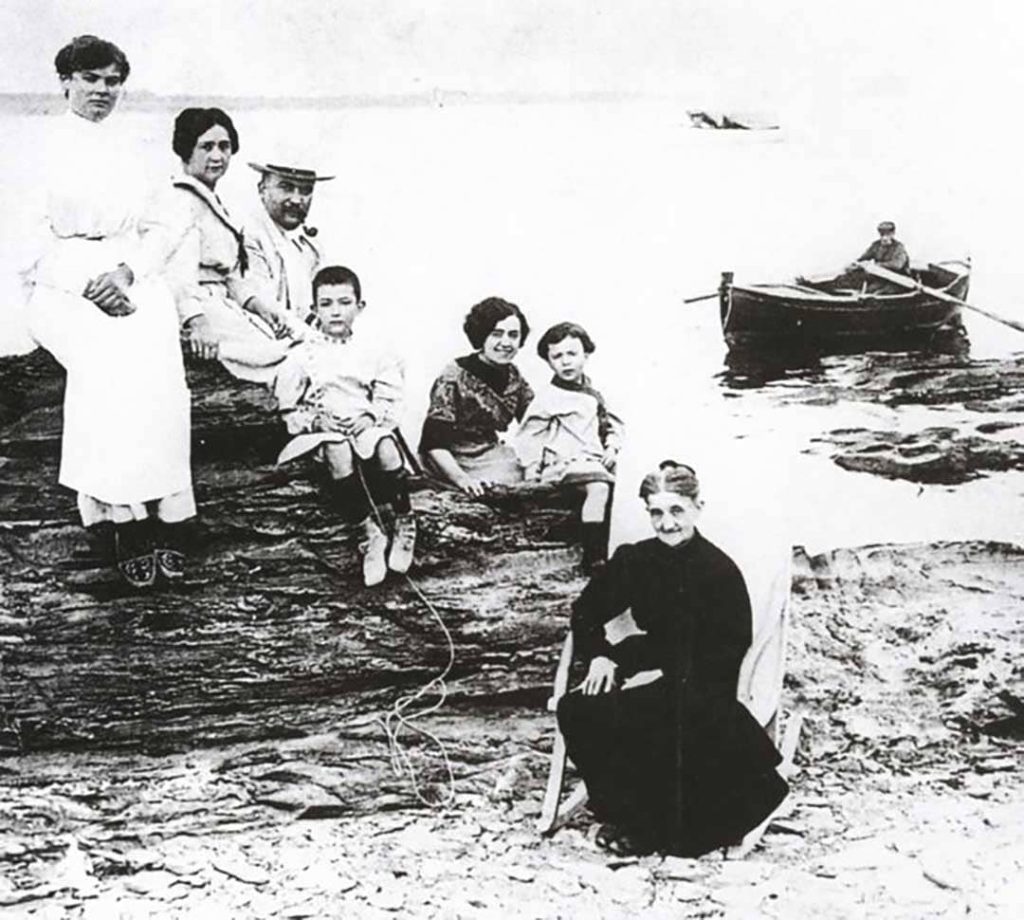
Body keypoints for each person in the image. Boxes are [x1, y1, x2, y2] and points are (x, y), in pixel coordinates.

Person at [18, 35, 195, 589]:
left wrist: (127, 273)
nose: (102, 91)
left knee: (157, 337)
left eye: (112, 81)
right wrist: (85, 282)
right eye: (90, 79)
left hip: (125, 268)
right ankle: (115, 512)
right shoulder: (35, 146)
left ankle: (167, 502)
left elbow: (169, 222)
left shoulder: (136, 144)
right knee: (105, 351)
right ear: (65, 80)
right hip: (59, 280)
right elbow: (22, 239)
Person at [557, 462, 789, 857]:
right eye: (656, 513)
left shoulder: (719, 571)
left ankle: (660, 830)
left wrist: (664, 677)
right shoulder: (635, 560)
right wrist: (599, 656)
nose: (666, 523)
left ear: (698, 507)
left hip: (703, 679)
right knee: (580, 708)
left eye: (676, 511)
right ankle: (626, 813)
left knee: (663, 712)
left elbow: (730, 648)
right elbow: (587, 611)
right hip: (645, 661)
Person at [274, 266, 414, 587]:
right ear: (314, 309)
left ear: (359, 307)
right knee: (337, 450)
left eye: (344, 302)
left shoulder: (375, 351)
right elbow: (288, 408)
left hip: (364, 423)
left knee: (386, 446)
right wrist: (314, 420)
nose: (335, 311)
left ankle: (406, 523)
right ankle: (368, 534)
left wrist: (371, 417)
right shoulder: (303, 355)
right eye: (326, 304)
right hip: (325, 429)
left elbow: (389, 396)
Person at [142, 108, 297, 383]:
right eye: (206, 147)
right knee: (279, 357)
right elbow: (176, 275)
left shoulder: (212, 202)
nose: (217, 156)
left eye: (224, 147)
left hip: (223, 302)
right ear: (186, 150)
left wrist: (261, 307)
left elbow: (230, 275)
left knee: (296, 339)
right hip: (200, 309)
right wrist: (195, 321)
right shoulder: (179, 200)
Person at [514, 322, 624, 570]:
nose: (565, 362)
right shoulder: (548, 397)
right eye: (557, 356)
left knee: (606, 483)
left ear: (585, 355)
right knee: (598, 487)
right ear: (549, 362)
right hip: (563, 464)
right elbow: (529, 434)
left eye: (572, 354)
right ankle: (593, 558)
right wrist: (532, 468)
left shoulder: (594, 393)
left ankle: (597, 547)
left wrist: (612, 448)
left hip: (593, 461)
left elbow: (611, 425)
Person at [419, 297, 534, 496]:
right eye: (496, 334)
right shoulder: (453, 377)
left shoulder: (514, 376)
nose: (506, 343)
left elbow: (536, 419)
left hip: (492, 454)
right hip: (453, 460)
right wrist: (462, 479)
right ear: (481, 336)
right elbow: (433, 444)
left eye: (513, 335)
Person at [238, 159, 334, 333]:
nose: (297, 200)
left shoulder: (312, 246)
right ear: (262, 190)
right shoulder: (249, 235)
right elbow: (263, 303)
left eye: (305, 191)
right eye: (286, 187)